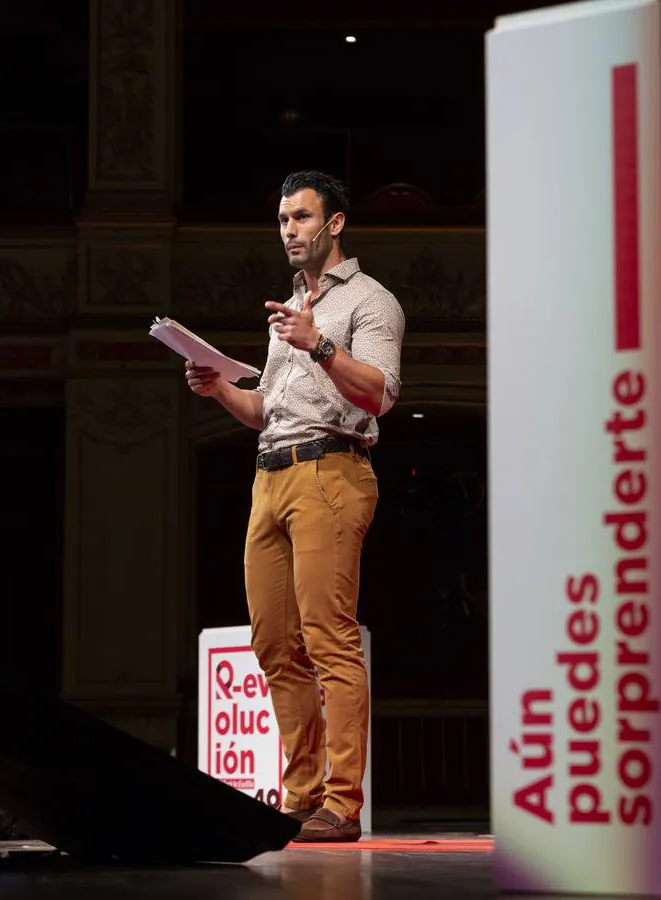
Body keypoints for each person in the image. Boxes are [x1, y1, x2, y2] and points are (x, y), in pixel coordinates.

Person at [185, 171, 405, 843]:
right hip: (270, 476)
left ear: (334, 224)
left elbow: (380, 394)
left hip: (330, 471)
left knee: (328, 639)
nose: (287, 229)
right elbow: (268, 410)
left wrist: (321, 343)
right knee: (274, 643)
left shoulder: (369, 302)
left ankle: (340, 803)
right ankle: (299, 795)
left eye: (300, 218)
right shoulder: (289, 308)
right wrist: (220, 390)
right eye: (281, 219)